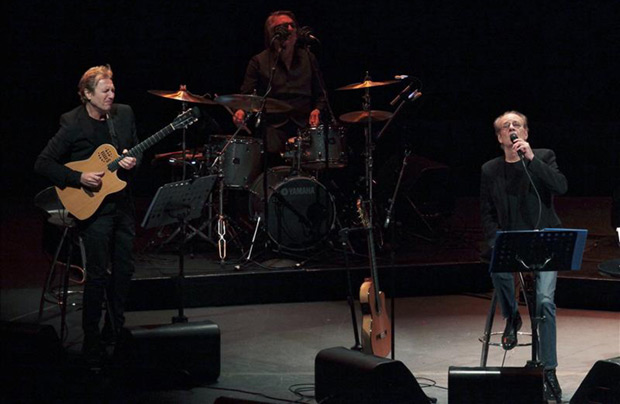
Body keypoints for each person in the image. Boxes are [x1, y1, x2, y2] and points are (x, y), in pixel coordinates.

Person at [34, 65, 140, 362]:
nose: (111, 95)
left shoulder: (123, 114)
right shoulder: (72, 123)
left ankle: (114, 329)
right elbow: (43, 164)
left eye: (113, 89)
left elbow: (136, 148)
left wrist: (133, 159)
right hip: (93, 208)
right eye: (105, 91)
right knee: (97, 274)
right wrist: (77, 178)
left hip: (122, 203)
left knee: (124, 270)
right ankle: (91, 338)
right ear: (87, 94)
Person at [480, 110, 567, 401]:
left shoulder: (542, 156)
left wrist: (532, 159)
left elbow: (561, 186)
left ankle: (550, 370)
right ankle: (513, 318)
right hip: (511, 242)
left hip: (545, 239)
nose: (512, 129)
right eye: (506, 126)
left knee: (544, 301)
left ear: (526, 133)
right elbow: (487, 214)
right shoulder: (490, 169)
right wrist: (496, 240)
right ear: (499, 137)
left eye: (517, 125)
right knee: (496, 263)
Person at [233, 10, 328, 167]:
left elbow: (321, 94)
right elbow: (247, 95)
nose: (291, 29)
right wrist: (241, 111)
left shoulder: (308, 57)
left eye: (293, 25)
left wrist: (317, 109)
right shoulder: (259, 61)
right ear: (272, 33)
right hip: (273, 126)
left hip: (304, 125)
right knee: (270, 153)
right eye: (285, 26)